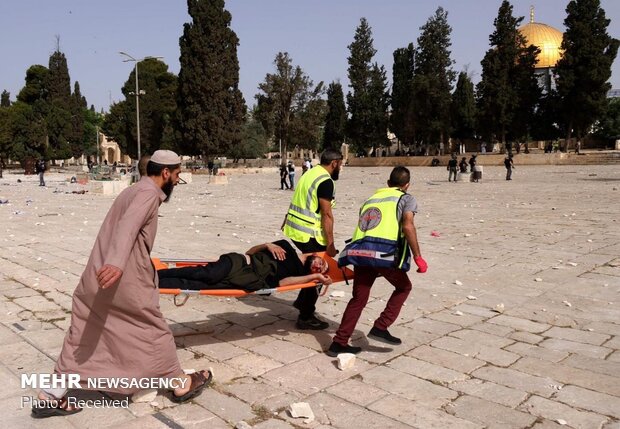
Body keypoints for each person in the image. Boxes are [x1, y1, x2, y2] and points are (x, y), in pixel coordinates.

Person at [32, 150, 212, 419]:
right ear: (165, 173)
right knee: (153, 330)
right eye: (177, 174)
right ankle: (180, 384)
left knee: (85, 333)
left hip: (97, 274)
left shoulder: (133, 190)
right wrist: (116, 263)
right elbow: (128, 226)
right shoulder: (148, 194)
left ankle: (51, 394)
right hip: (124, 278)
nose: (177, 179)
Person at [328, 166, 427, 356]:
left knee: (358, 299)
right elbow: (407, 225)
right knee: (403, 287)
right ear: (407, 185)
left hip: (361, 253)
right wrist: (418, 257)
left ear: (388, 183)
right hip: (384, 255)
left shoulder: (371, 199)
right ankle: (381, 326)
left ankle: (338, 342)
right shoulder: (406, 198)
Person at [282, 148, 343, 330]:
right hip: (309, 232)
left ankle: (303, 303)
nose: (341, 168)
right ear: (334, 163)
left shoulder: (310, 173)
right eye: (341, 164)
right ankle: (305, 316)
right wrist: (330, 244)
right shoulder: (325, 181)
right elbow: (326, 214)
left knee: (311, 266)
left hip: (295, 228)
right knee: (320, 269)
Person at [158, 240, 332, 293]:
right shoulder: (285, 246)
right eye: (321, 263)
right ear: (315, 256)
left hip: (245, 281)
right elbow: (249, 251)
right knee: (205, 274)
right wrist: (267, 245)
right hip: (238, 263)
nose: (318, 267)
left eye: (319, 269)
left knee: (195, 286)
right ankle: (158, 273)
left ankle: (153, 284)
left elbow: (282, 283)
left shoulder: (300, 274)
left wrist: (315, 278)